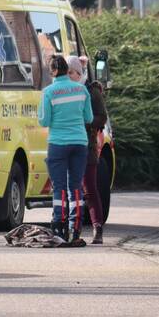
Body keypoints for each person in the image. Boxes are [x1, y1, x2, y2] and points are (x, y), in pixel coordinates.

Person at [39, 54, 93, 245]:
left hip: (58, 144)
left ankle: (59, 225)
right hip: (79, 142)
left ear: (53, 71)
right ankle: (75, 227)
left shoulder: (48, 92)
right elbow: (89, 118)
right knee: (75, 187)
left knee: (59, 187)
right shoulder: (81, 90)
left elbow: (44, 121)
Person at [78, 56, 109, 244]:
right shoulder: (66, 91)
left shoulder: (92, 91)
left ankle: (97, 228)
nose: (71, 75)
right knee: (71, 190)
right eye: (69, 72)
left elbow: (102, 117)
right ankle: (74, 227)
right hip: (70, 145)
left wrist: (86, 124)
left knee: (90, 190)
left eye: (75, 72)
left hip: (88, 145)